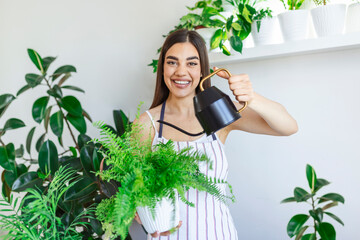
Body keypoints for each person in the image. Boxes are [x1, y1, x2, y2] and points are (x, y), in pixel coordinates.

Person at [134, 29, 298, 239]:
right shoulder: (147, 124)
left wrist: (251, 97)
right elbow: (130, 186)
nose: (181, 72)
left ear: (203, 69)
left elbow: (288, 127)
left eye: (191, 63)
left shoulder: (218, 113)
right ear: (162, 68)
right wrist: (137, 210)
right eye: (172, 62)